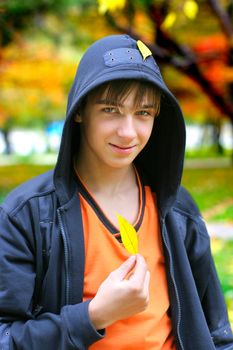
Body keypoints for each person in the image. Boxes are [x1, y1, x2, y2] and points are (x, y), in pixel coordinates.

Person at [0, 34, 232, 350]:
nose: (128, 132)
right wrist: (94, 316)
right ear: (80, 111)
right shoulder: (25, 215)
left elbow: (217, 334)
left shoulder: (176, 209)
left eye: (143, 113)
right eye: (111, 109)